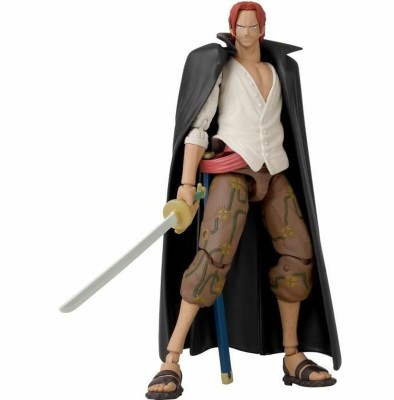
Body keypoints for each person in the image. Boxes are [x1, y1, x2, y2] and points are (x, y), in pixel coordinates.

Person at [146, 2, 341, 398]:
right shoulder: (221, 69)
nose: (247, 33)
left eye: (253, 26)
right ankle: (171, 360)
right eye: (241, 26)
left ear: (262, 30)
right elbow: (198, 128)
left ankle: (292, 354)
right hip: (232, 171)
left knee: (299, 254)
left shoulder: (279, 70)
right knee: (212, 257)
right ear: (232, 29)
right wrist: (186, 185)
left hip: (274, 170)